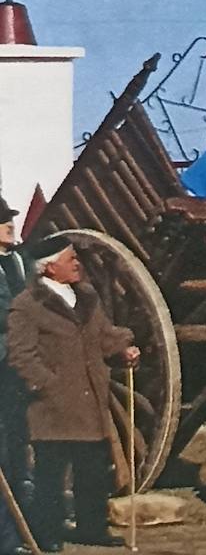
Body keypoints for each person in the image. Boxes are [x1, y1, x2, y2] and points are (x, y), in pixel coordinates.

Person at [7, 234, 139, 551]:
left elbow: (104, 337)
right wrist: (47, 385)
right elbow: (21, 355)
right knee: (50, 477)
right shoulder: (28, 305)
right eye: (70, 260)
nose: (77, 263)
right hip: (51, 408)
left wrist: (123, 351)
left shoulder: (87, 298)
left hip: (89, 402)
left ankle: (92, 528)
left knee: (92, 472)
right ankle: (48, 535)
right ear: (50, 268)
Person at [0, 198, 30, 555]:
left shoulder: (18, 263)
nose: (10, 224)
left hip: (15, 369)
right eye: (4, 221)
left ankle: (15, 536)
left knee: (15, 450)